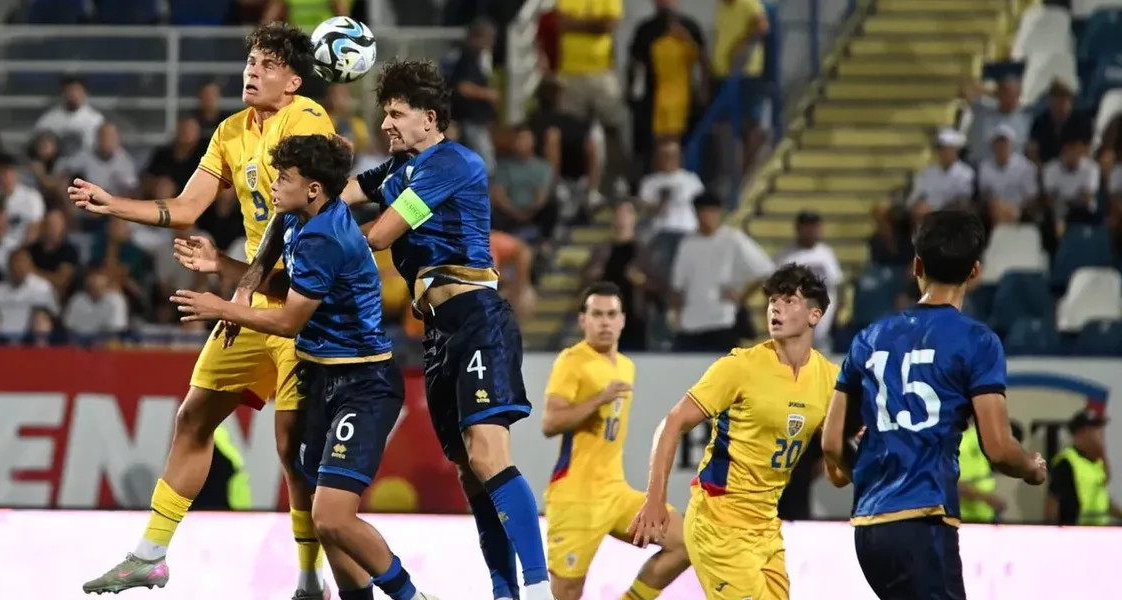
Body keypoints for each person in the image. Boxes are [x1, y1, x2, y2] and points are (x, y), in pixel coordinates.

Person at [74, 22, 339, 598]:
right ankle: (150, 556)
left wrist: (238, 278)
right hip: (251, 294)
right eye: (251, 61)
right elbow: (188, 207)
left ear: (294, 81)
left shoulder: (308, 119)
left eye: (268, 65)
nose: (253, 71)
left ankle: (308, 577)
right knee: (193, 418)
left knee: (291, 446)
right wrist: (113, 204)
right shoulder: (230, 131)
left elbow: (294, 214)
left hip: (303, 303)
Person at [309, 59, 550, 600]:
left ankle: (539, 587)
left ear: (430, 119)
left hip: (476, 318)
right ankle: (505, 592)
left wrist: (318, 249)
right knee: (469, 471)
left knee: (488, 456)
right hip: (438, 334)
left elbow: (380, 235)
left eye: (397, 114)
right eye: (384, 113)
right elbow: (337, 195)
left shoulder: (454, 163)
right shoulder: (396, 171)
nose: (386, 124)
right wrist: (314, 181)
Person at [170, 135, 436, 600]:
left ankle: (412, 597)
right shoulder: (301, 220)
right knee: (322, 515)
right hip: (323, 380)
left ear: (313, 188)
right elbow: (291, 287)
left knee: (332, 516)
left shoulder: (325, 235)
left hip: (362, 384)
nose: (273, 185)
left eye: (284, 178)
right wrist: (224, 266)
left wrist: (222, 307)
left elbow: (290, 320)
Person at [820, 209, 1048, 600]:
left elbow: (830, 442)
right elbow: (998, 448)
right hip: (923, 520)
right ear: (975, 272)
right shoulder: (977, 341)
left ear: (916, 266)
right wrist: (1031, 467)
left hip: (869, 529)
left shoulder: (868, 337)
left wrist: (859, 474)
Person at [631, 264, 842, 600]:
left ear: (815, 316)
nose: (776, 308)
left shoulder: (829, 378)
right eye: (772, 301)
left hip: (766, 526)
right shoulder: (739, 367)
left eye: (789, 301)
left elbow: (837, 466)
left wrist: (849, 461)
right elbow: (673, 424)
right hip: (718, 521)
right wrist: (655, 498)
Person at [541, 282, 690, 600]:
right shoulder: (572, 361)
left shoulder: (625, 366)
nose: (605, 322)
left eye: (611, 315)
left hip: (616, 492)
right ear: (583, 320)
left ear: (623, 320)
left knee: (686, 541)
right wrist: (598, 399)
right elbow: (551, 423)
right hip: (576, 497)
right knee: (567, 592)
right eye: (597, 314)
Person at [1046, 409, 1122, 525]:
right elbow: (1052, 504)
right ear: (1081, 433)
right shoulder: (1066, 462)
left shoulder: (1097, 463)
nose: (1100, 433)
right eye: (1095, 429)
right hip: (1077, 532)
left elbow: (1102, 502)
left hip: (1100, 532)